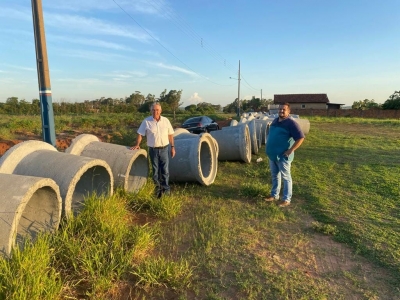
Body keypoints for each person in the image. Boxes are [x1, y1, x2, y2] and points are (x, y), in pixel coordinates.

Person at [130, 102, 176, 198]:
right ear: (151, 111)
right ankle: (158, 190)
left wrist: (172, 147)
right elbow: (140, 134)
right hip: (153, 150)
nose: (155, 112)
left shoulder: (166, 121)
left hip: (164, 149)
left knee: (165, 170)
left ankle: (166, 190)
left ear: (161, 111)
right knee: (155, 171)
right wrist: (137, 144)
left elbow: (170, 134)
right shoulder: (146, 121)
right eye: (153, 110)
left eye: (157, 110)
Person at [265, 102, 305, 207]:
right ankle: (274, 195)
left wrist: (290, 150)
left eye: (284, 109)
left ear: (288, 111)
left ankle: (286, 199)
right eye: (280, 109)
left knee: (286, 177)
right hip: (273, 155)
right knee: (275, 176)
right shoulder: (275, 121)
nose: (281, 111)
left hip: (283, 157)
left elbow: (301, 138)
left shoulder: (291, 124)